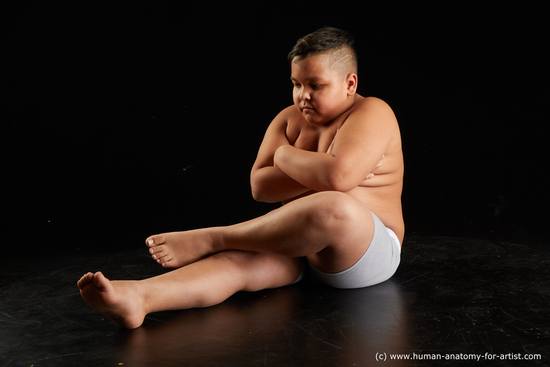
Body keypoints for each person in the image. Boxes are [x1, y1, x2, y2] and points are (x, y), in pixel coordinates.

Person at [77, 27, 405, 329]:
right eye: (296, 84)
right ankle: (139, 298)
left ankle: (214, 236)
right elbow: (260, 187)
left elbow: (337, 180)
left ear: (350, 84)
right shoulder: (288, 120)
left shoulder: (371, 112)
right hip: (301, 247)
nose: (303, 95)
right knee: (236, 265)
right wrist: (328, 172)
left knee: (337, 207)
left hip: (363, 252)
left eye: (315, 85)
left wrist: (283, 156)